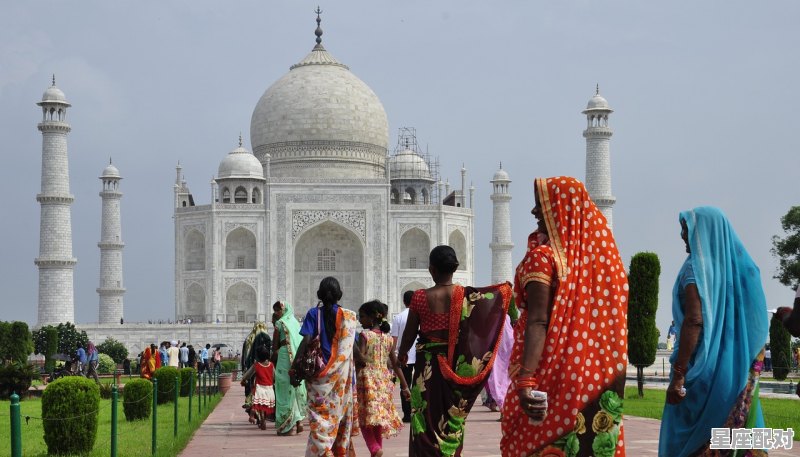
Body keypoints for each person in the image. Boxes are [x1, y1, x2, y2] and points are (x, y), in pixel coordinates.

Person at [501, 176, 629, 457]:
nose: (536, 211)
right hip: (593, 376)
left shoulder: (543, 257)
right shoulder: (599, 263)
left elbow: (538, 320)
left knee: (535, 443)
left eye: (542, 204)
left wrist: (525, 379)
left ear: (562, 208)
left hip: (549, 370)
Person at [659, 206, 769, 457]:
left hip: (704, 373)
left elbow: (694, 321)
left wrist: (678, 375)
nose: (682, 236)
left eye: (687, 229)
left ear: (705, 232)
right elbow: (757, 323)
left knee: (687, 441)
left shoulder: (695, 269)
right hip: (737, 372)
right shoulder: (743, 269)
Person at [398, 245, 511, 457]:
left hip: (427, 369)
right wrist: (504, 291)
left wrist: (402, 353)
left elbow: (410, 333)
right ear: (455, 268)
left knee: (424, 417)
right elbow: (484, 316)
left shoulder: (420, 297)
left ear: (431, 269)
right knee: (451, 418)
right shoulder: (465, 296)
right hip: (454, 367)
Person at [291, 276, 360, 457]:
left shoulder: (314, 314)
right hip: (341, 380)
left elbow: (305, 341)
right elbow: (356, 350)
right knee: (337, 416)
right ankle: (334, 450)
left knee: (319, 419)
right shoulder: (349, 317)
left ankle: (324, 450)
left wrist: (295, 366)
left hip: (318, 377)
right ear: (339, 295)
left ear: (320, 294)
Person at [357, 300, 409, 457]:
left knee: (364, 419)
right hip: (384, 381)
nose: (360, 320)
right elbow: (396, 364)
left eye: (362, 316)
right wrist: (405, 387)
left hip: (367, 381)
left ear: (372, 317)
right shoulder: (387, 339)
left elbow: (360, 361)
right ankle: (376, 452)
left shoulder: (365, 336)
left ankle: (375, 449)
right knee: (377, 419)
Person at [271, 301, 306, 436]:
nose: (276, 314)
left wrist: (272, 358)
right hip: (296, 358)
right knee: (294, 387)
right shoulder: (295, 323)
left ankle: (288, 427)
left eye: (278, 311)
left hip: (284, 357)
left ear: (283, 310)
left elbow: (274, 348)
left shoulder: (279, 324)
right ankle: (299, 422)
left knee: (283, 389)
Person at [391, 290, 417, 423]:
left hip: (403, 356)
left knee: (404, 385)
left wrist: (394, 356)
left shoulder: (399, 317)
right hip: (419, 355)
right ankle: (418, 412)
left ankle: (407, 414)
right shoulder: (420, 316)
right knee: (419, 385)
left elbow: (394, 340)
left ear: (404, 301)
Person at [482, 313, 513, 415]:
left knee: (497, 382)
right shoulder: (503, 317)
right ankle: (502, 409)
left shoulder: (500, 317)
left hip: (499, 355)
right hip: (500, 355)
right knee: (500, 382)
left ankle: (502, 409)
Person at [239, 344, 276, 430]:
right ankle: (263, 419)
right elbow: (274, 377)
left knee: (256, 404)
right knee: (266, 405)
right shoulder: (271, 365)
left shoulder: (257, 365)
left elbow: (247, 375)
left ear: (258, 356)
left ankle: (256, 418)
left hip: (259, 388)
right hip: (269, 389)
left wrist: (243, 380)